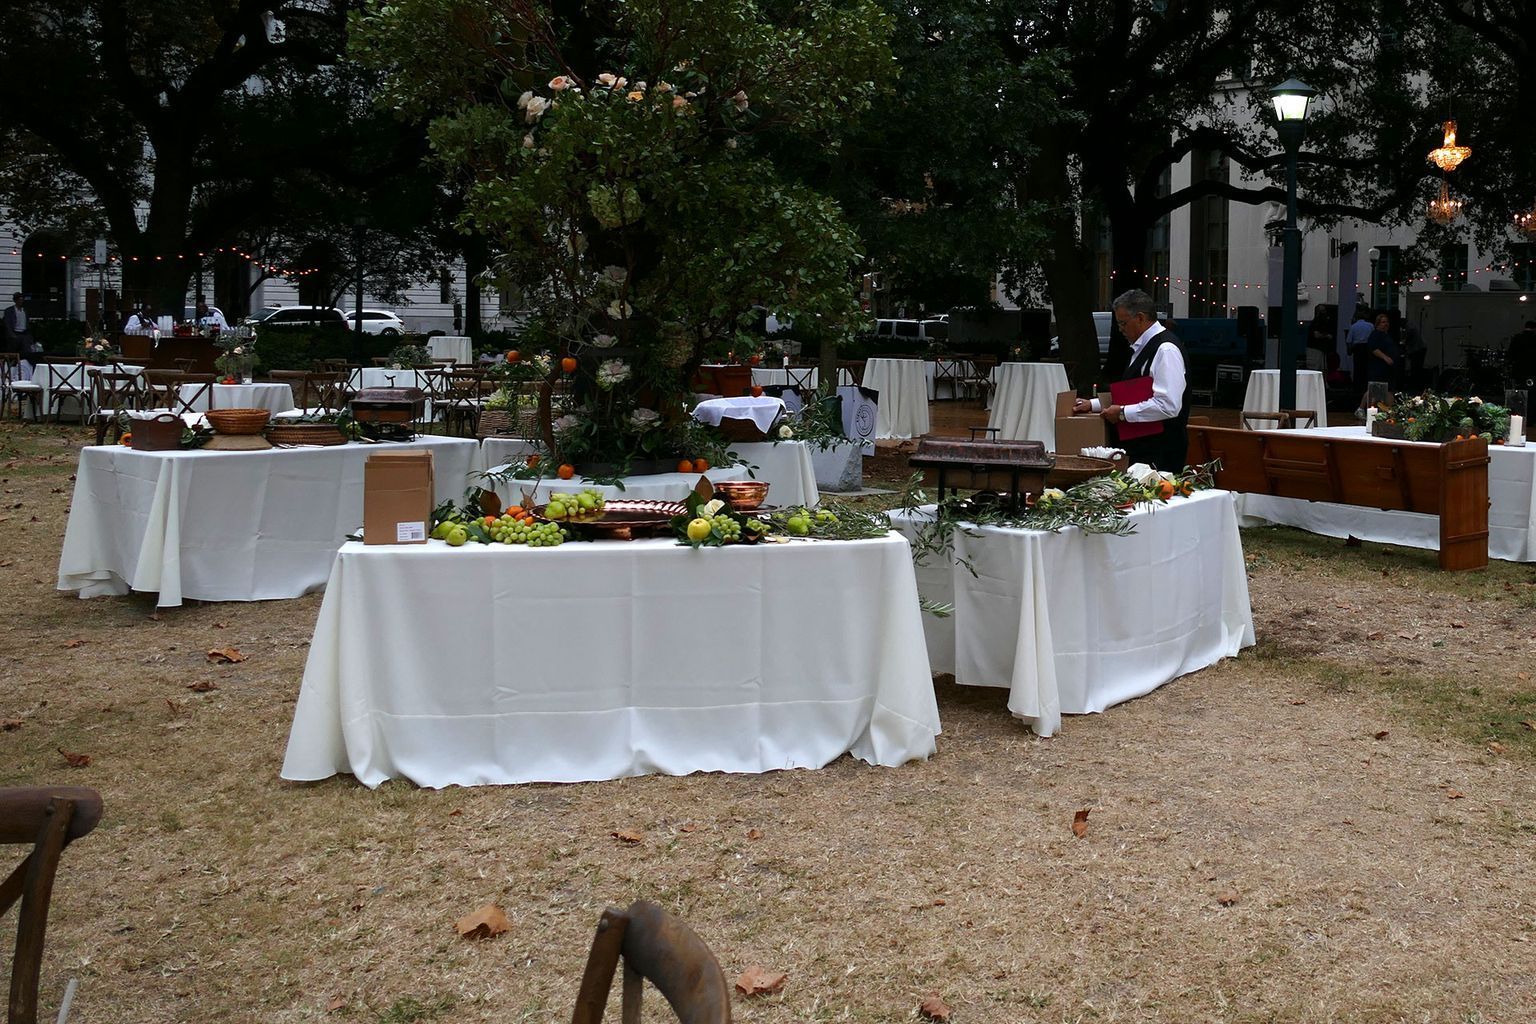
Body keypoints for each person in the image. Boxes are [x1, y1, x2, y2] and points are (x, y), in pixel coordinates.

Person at [1073, 288, 1189, 472]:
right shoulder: (1141, 348)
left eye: (1123, 323)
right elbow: (1133, 394)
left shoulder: (1166, 350)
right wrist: (1094, 404)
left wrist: (1122, 413)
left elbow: (1168, 405)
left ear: (1140, 318)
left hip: (1161, 451)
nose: (1120, 330)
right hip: (1141, 448)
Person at [1355, 312, 1399, 416]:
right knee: (1373, 389)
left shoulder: (1387, 335)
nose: (1386, 324)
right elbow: (1373, 349)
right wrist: (1385, 357)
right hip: (1378, 368)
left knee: (1388, 390)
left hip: (1387, 370)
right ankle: (1361, 409)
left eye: (1387, 322)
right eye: (1383, 322)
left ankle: (1391, 412)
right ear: (1378, 324)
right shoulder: (1375, 335)